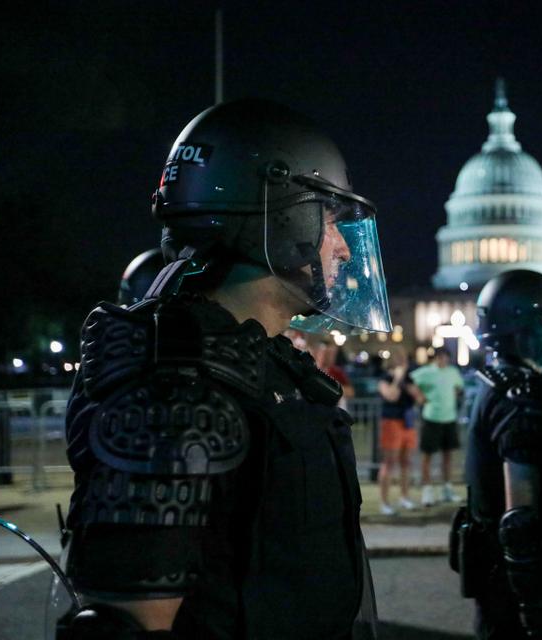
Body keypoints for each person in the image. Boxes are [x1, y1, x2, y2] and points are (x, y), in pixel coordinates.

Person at [58, 99, 391, 639]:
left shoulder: (264, 363)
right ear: (284, 216)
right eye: (329, 221)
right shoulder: (175, 379)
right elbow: (125, 625)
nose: (343, 250)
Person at [453, 269, 542, 639]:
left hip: (506, 578)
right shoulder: (522, 395)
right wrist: (536, 607)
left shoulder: (501, 381)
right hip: (519, 586)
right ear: (523, 326)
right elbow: (520, 518)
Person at [409, 347, 464, 506]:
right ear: (435, 358)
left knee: (448, 456)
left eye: (445, 357)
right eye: (440, 357)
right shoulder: (426, 371)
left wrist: (454, 394)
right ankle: (427, 492)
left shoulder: (453, 371)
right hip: (431, 418)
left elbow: (459, 387)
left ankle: (447, 489)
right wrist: (420, 397)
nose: (443, 360)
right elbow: (410, 382)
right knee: (428, 456)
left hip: (449, 418)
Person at [377, 347, 421, 515]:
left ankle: (404, 497)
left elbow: (420, 398)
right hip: (391, 422)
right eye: (400, 357)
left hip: (407, 423)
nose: (404, 361)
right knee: (389, 462)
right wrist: (397, 379)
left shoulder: (409, 379)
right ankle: (384, 502)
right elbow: (391, 396)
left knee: (406, 462)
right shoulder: (385, 378)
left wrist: (410, 387)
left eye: (405, 357)